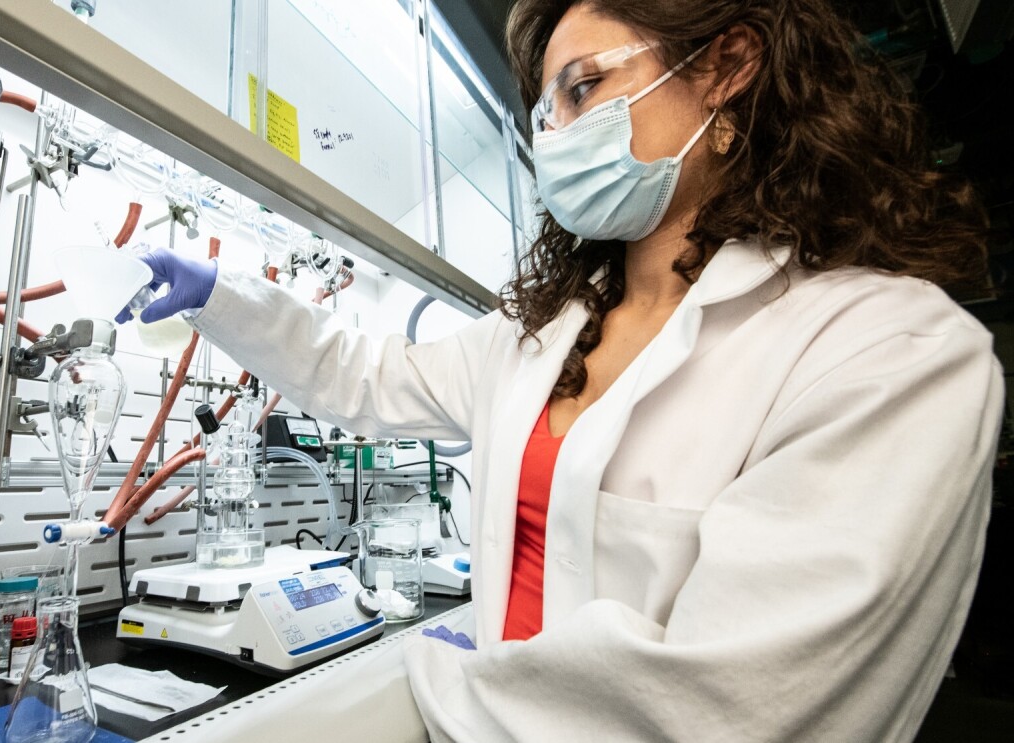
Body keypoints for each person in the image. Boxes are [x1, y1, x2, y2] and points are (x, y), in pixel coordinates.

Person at [121, 0, 1001, 739]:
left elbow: (732, 704)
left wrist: (406, 688)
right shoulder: (540, 338)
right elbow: (368, 375)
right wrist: (224, 301)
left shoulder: (887, 349)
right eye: (548, 115)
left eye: (585, 90)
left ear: (728, 64)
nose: (560, 138)